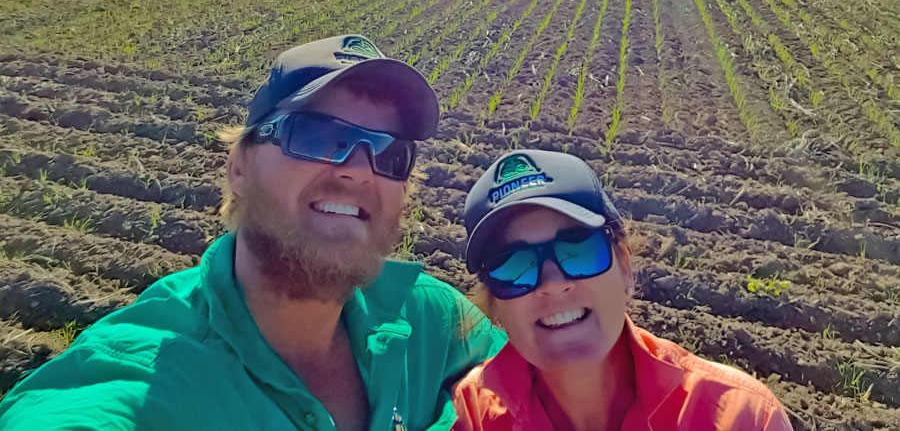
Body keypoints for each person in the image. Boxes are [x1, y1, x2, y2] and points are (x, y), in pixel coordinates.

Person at [0, 34, 505, 431]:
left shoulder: (429, 317)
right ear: (238, 166)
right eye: (317, 136)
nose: (358, 170)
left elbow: (534, 379)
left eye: (389, 152)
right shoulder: (148, 374)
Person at [452, 149, 792, 431]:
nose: (553, 283)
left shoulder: (740, 417)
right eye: (514, 265)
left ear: (625, 266)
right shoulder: (475, 415)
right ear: (495, 305)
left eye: (578, 250)